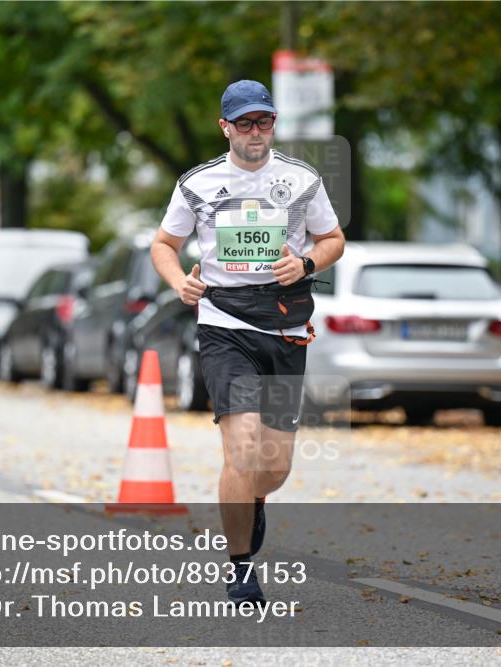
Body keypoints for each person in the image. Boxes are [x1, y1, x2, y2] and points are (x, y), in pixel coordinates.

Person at [150, 80, 345, 605]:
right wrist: (179, 282)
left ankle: (254, 500)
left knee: (274, 467)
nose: (255, 132)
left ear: (273, 124)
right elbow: (164, 244)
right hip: (224, 326)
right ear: (225, 128)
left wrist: (306, 263)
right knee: (241, 449)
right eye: (244, 123)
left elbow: (333, 240)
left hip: (285, 330)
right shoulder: (198, 183)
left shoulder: (301, 179)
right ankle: (240, 568)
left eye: (263, 121)